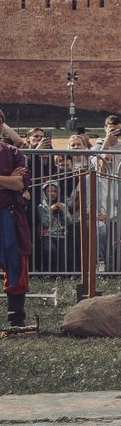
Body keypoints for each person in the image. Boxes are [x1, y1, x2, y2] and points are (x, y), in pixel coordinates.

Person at [0, 108, 30, 329]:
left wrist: (13, 182)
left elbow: (20, 183)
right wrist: (6, 180)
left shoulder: (13, 153)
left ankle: (16, 320)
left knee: (16, 267)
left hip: (10, 216)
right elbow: (12, 182)